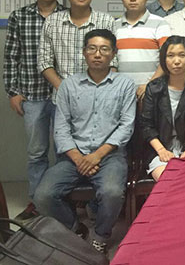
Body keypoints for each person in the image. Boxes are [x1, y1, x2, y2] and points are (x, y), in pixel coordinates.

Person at [34, 29, 136, 254]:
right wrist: (79, 158)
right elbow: (61, 127)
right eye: (92, 48)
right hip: (74, 156)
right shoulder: (69, 85)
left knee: (111, 192)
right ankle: (75, 229)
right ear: (84, 52)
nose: (98, 54)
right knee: (42, 195)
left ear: (113, 54)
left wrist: (96, 156)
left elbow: (126, 126)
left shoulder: (125, 85)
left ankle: (100, 236)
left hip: (110, 156)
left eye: (104, 49)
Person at [3, 0, 65, 220]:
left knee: (64, 152)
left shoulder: (67, 15)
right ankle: (38, 203)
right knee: (37, 153)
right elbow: (11, 56)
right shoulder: (20, 16)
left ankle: (62, 201)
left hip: (63, 97)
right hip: (32, 95)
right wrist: (12, 91)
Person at [140, 36, 185, 181]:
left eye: (182, 55)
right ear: (164, 59)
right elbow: (146, 126)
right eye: (171, 56)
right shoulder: (154, 88)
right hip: (159, 151)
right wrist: (161, 150)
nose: (177, 61)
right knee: (170, 180)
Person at [38, 0, 116, 102]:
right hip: (63, 97)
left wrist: (102, 90)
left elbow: (113, 61)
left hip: (99, 97)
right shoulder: (52, 21)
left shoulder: (106, 21)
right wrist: (63, 88)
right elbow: (44, 61)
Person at [116, 0, 171, 100]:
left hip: (152, 92)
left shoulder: (160, 23)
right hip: (122, 93)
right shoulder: (114, 26)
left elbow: (167, 58)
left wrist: (150, 85)